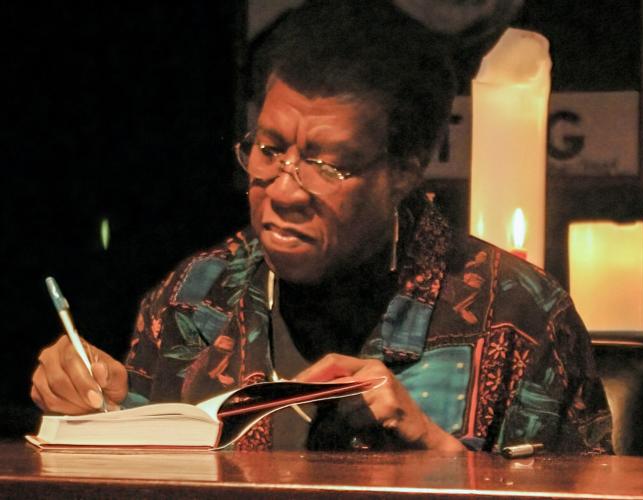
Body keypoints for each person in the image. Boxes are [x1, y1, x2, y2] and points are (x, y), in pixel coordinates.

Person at [30, 0, 612, 453]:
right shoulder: (193, 300)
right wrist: (92, 402)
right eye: (268, 149)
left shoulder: (516, 315)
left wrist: (440, 456)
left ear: (405, 169)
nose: (284, 190)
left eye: (326, 164)